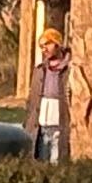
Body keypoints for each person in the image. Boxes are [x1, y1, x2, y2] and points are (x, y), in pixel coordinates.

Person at [29, 21, 70, 161]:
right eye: (41, 46)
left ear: (57, 44)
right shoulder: (40, 70)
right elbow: (32, 101)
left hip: (60, 126)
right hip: (41, 126)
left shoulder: (70, 69)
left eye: (47, 44)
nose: (44, 49)